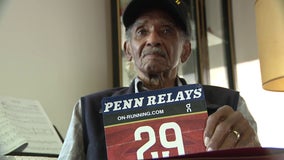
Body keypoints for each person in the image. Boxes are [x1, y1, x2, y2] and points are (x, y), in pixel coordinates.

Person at [58, 0, 261, 159]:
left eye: (166, 30)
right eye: (141, 31)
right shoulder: (88, 111)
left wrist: (254, 153)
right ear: (128, 50)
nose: (153, 39)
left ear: (185, 51)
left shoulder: (229, 105)